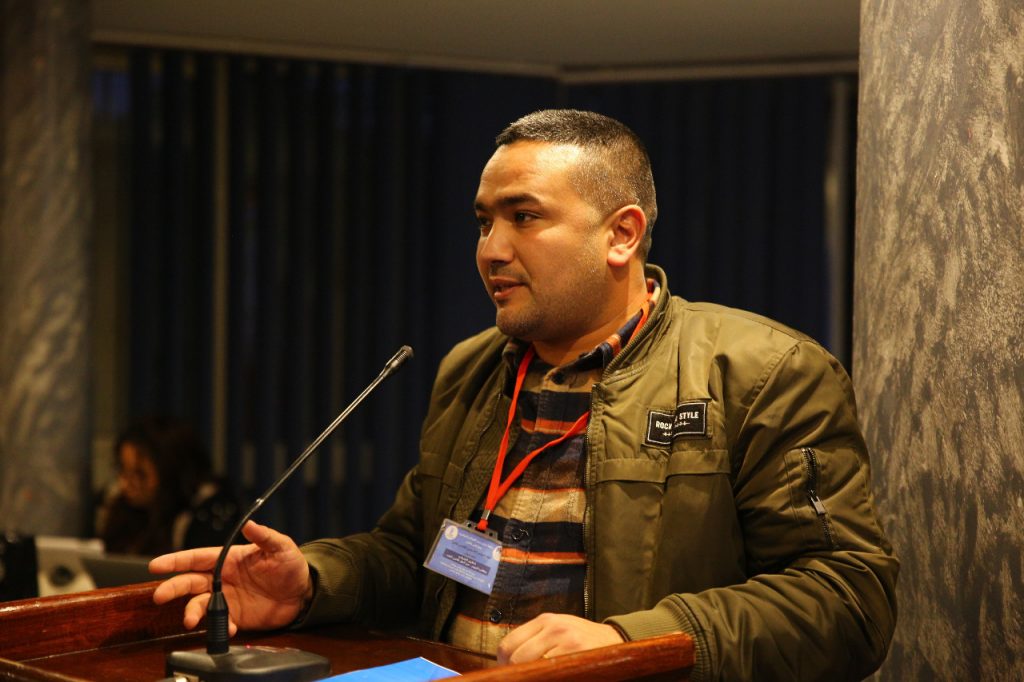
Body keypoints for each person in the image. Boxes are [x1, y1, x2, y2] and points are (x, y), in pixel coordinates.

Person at [150, 110, 898, 680]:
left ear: (622, 234)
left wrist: (627, 641)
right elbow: (418, 556)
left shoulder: (764, 372)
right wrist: (313, 582)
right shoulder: (471, 370)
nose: (490, 250)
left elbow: (846, 600)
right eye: (483, 222)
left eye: (524, 217)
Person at [96, 416, 240, 555]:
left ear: (170, 470)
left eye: (140, 474)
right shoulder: (124, 508)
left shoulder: (206, 515)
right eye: (122, 470)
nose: (124, 484)